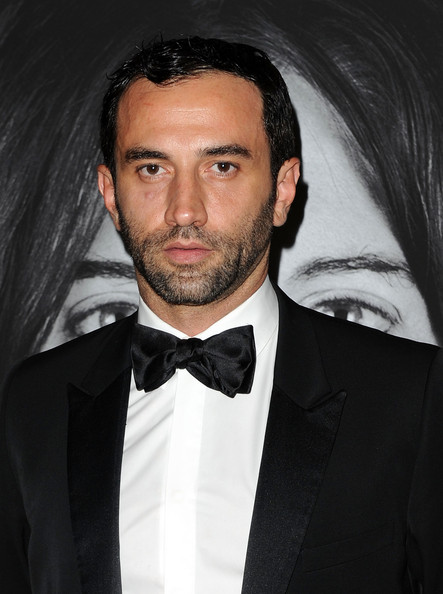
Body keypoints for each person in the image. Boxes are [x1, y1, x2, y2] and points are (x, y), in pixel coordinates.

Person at [1, 35, 443, 593]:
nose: (185, 210)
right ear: (110, 194)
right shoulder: (33, 402)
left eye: (222, 166)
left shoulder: (411, 397)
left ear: (282, 191)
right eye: (153, 168)